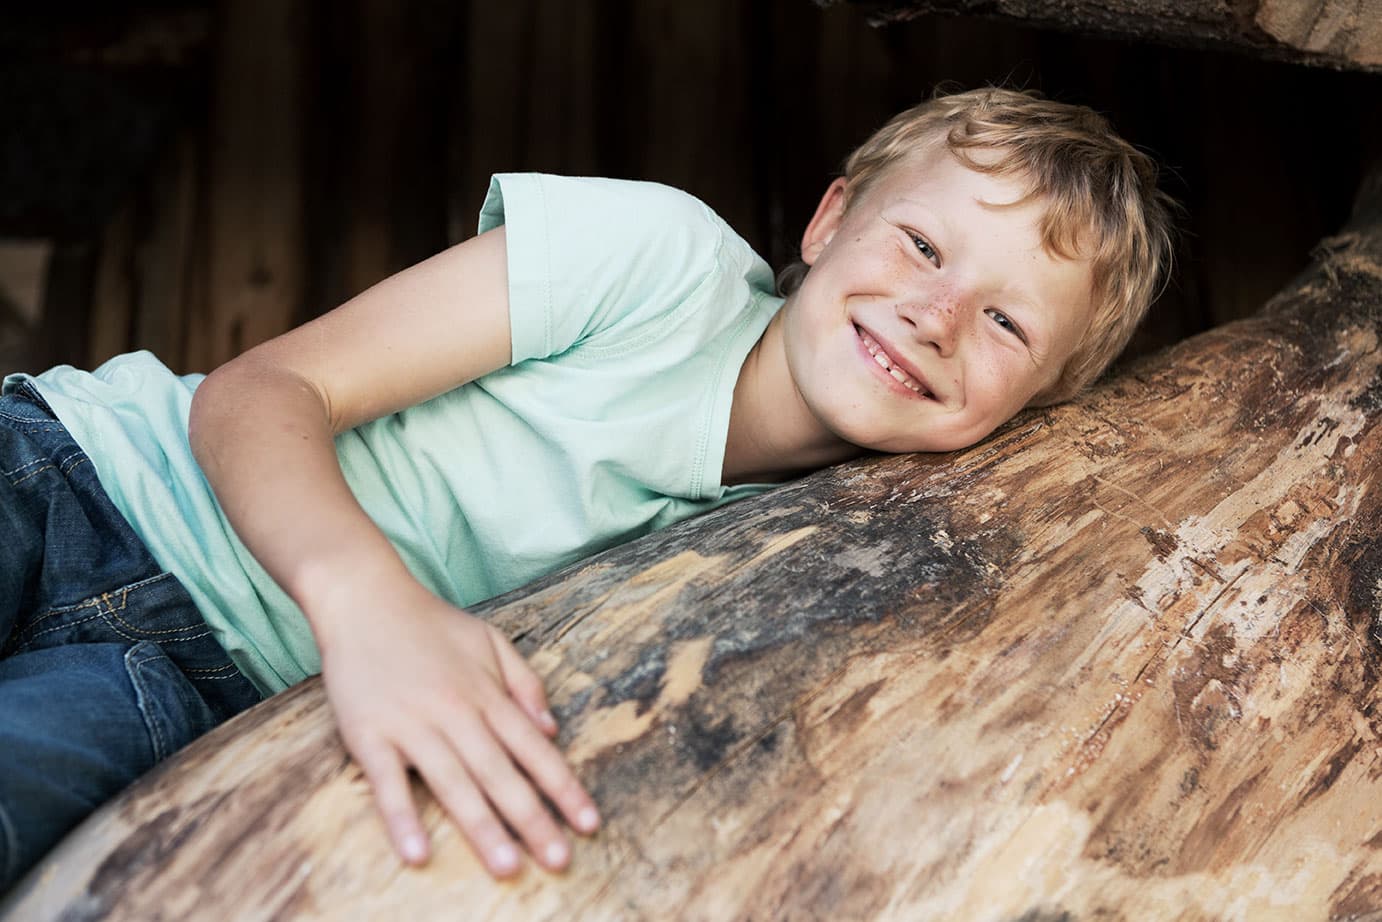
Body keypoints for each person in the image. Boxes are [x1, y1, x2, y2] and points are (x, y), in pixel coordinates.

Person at [0, 87, 1175, 891]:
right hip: (83, 477)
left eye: (1006, 322)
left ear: (1034, 410)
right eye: (921, 246)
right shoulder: (658, 263)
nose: (936, 313)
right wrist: (371, 604)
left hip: (203, 689)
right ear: (826, 220)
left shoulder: (826, 553)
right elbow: (257, 393)